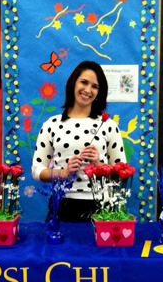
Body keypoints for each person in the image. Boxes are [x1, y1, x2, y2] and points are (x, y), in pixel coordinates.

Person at [31, 60, 126, 222]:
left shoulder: (109, 125)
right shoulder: (51, 124)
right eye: (84, 82)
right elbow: (37, 171)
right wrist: (65, 173)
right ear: (73, 83)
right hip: (61, 204)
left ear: (99, 92)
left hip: (101, 206)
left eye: (94, 86)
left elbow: (121, 173)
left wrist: (98, 165)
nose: (88, 90)